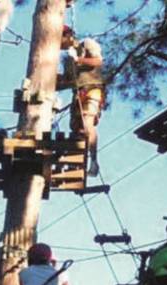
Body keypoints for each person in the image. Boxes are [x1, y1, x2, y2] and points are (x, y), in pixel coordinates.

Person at [57, 25, 105, 177]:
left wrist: (79, 59)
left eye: (60, 38)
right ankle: (79, 163)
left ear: (68, 35)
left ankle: (94, 161)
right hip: (78, 93)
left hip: (92, 88)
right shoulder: (67, 59)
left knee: (87, 123)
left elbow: (98, 61)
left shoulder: (87, 44)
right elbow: (67, 81)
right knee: (77, 129)